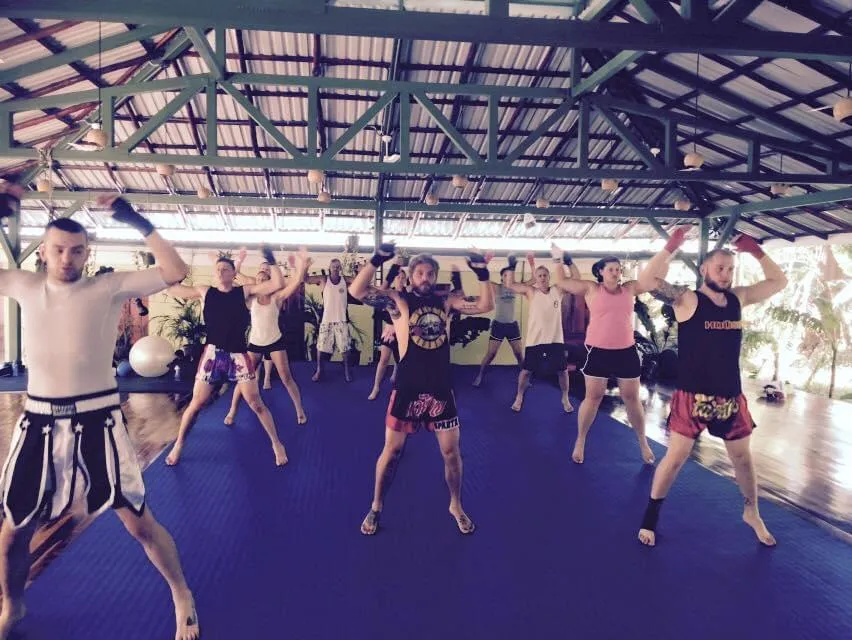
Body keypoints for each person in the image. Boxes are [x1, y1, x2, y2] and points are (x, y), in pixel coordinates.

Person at [0, 188, 199, 640]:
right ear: (44, 251)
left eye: (76, 251)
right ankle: (13, 604)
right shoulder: (23, 285)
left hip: (98, 421)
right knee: (14, 529)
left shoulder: (107, 288)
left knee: (138, 521)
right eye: (58, 250)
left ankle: (181, 592)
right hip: (38, 423)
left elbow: (175, 271)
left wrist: (135, 220)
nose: (66, 258)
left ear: (87, 254)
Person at [635, 231, 787, 547]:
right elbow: (649, 281)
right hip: (692, 396)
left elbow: (778, 282)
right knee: (676, 457)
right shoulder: (687, 299)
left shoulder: (738, 299)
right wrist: (671, 247)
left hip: (730, 397)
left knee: (743, 460)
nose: (727, 275)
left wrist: (757, 252)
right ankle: (650, 518)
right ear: (705, 269)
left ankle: (752, 512)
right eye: (720, 268)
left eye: (731, 269)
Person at [349, 245, 494, 535]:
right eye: (419, 273)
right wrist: (376, 259)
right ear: (411, 275)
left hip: (440, 388)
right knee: (392, 452)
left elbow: (485, 306)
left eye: (429, 273)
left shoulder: (447, 302)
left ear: (435, 275)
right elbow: (356, 291)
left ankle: (456, 504)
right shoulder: (398, 301)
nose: (425, 278)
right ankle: (376, 506)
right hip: (407, 387)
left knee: (451, 452)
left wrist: (482, 272)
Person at [164, 247, 289, 467]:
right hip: (213, 354)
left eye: (225, 269)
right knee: (197, 403)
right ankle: (179, 444)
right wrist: (174, 270)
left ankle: (276, 443)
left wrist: (271, 260)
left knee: (255, 402)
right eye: (218, 269)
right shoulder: (205, 291)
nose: (221, 272)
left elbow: (277, 284)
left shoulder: (243, 291)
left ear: (233, 274)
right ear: (214, 274)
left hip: (239, 355)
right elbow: (173, 291)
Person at [550, 244, 657, 465]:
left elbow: (648, 281)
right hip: (598, 351)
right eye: (611, 269)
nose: (616, 273)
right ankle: (580, 440)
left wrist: (667, 252)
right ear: (600, 271)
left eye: (618, 270)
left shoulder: (629, 288)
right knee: (593, 397)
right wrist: (558, 259)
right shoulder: (591, 289)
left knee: (632, 398)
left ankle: (643, 442)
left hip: (626, 351)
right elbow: (562, 282)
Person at [224, 252, 311, 426]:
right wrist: (237, 262)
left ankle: (299, 409)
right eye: (259, 280)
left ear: (269, 282)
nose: (262, 282)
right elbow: (232, 281)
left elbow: (294, 283)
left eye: (265, 279)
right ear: (255, 283)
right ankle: (232, 410)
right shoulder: (250, 301)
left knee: (286, 377)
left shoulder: (276, 298)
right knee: (244, 379)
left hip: (275, 342)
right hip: (255, 343)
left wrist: (300, 266)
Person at [504, 258, 574, 413]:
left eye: (545, 275)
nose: (542, 278)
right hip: (534, 341)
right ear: (535, 279)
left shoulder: (557, 290)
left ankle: (565, 397)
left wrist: (567, 262)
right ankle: (519, 396)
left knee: (562, 371)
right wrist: (511, 264)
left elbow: (574, 280)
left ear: (549, 277)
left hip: (555, 340)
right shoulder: (531, 292)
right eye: (539, 275)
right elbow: (510, 285)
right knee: (526, 371)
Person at [472, 255, 525, 388]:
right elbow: (483, 279)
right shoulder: (497, 287)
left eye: (510, 275)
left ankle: (525, 379)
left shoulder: (515, 288)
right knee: (491, 354)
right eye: (506, 275)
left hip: (512, 326)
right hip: (499, 325)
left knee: (519, 355)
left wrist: (531, 263)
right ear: (502, 277)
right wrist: (485, 263)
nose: (508, 277)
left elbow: (533, 281)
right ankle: (480, 375)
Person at [306, 258, 353, 382]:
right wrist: (305, 266)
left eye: (338, 266)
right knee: (321, 347)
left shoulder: (345, 280)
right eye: (333, 266)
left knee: (345, 349)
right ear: (329, 268)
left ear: (341, 268)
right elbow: (306, 279)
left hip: (341, 320)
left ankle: (347, 371)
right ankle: (319, 370)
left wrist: (362, 270)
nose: (336, 268)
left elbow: (360, 281)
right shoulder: (323, 279)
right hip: (326, 320)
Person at [367, 258, 408, 400]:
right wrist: (393, 268)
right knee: (383, 360)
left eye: (403, 277)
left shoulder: (408, 295)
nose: (401, 279)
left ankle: (400, 388)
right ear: (395, 279)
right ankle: (376, 387)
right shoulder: (389, 293)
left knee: (402, 362)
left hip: (403, 332)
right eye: (399, 277)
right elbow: (379, 291)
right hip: (390, 330)